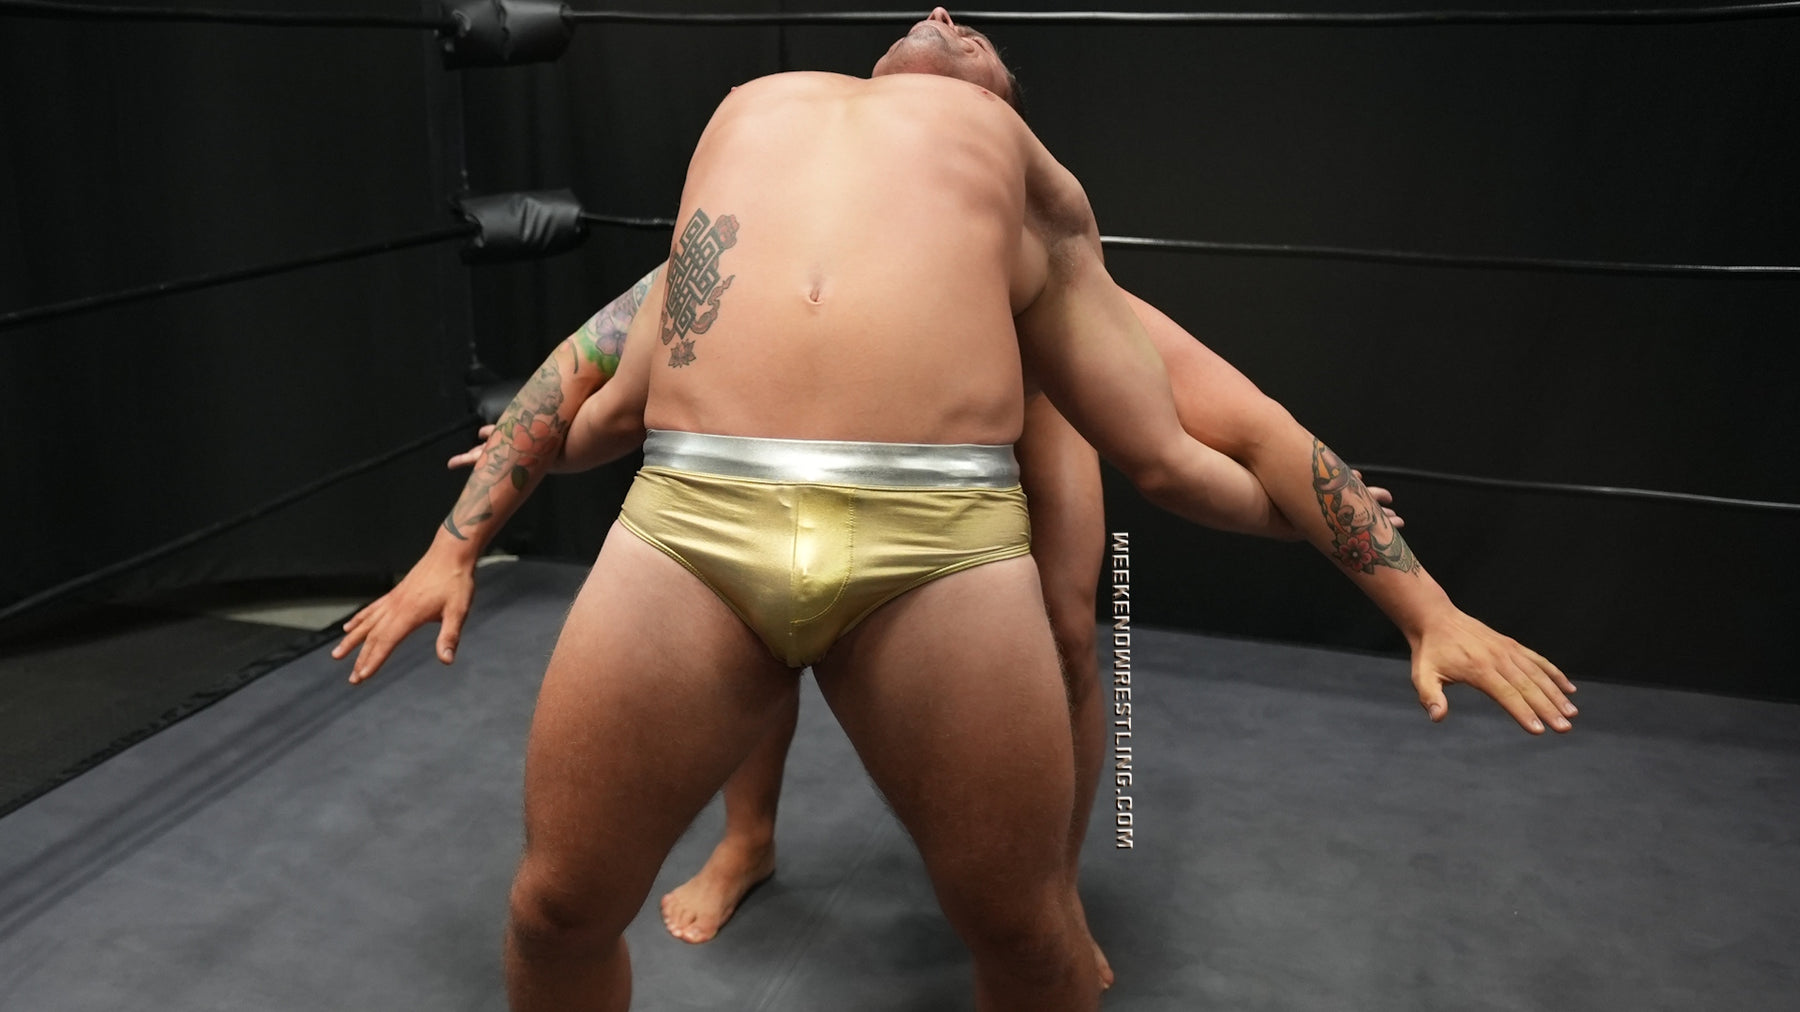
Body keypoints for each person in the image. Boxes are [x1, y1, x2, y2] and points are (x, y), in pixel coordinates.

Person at [335, 11, 1576, 1011]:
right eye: (931, 20)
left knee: (1036, 876)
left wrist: (1421, 600)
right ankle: (749, 840)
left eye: (978, 36)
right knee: (556, 906)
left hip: (938, 533)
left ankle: (1059, 889)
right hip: (699, 515)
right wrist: (455, 543)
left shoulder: (1032, 213)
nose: (943, 14)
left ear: (1007, 116)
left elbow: (1212, 443)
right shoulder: (762, 159)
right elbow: (590, 380)